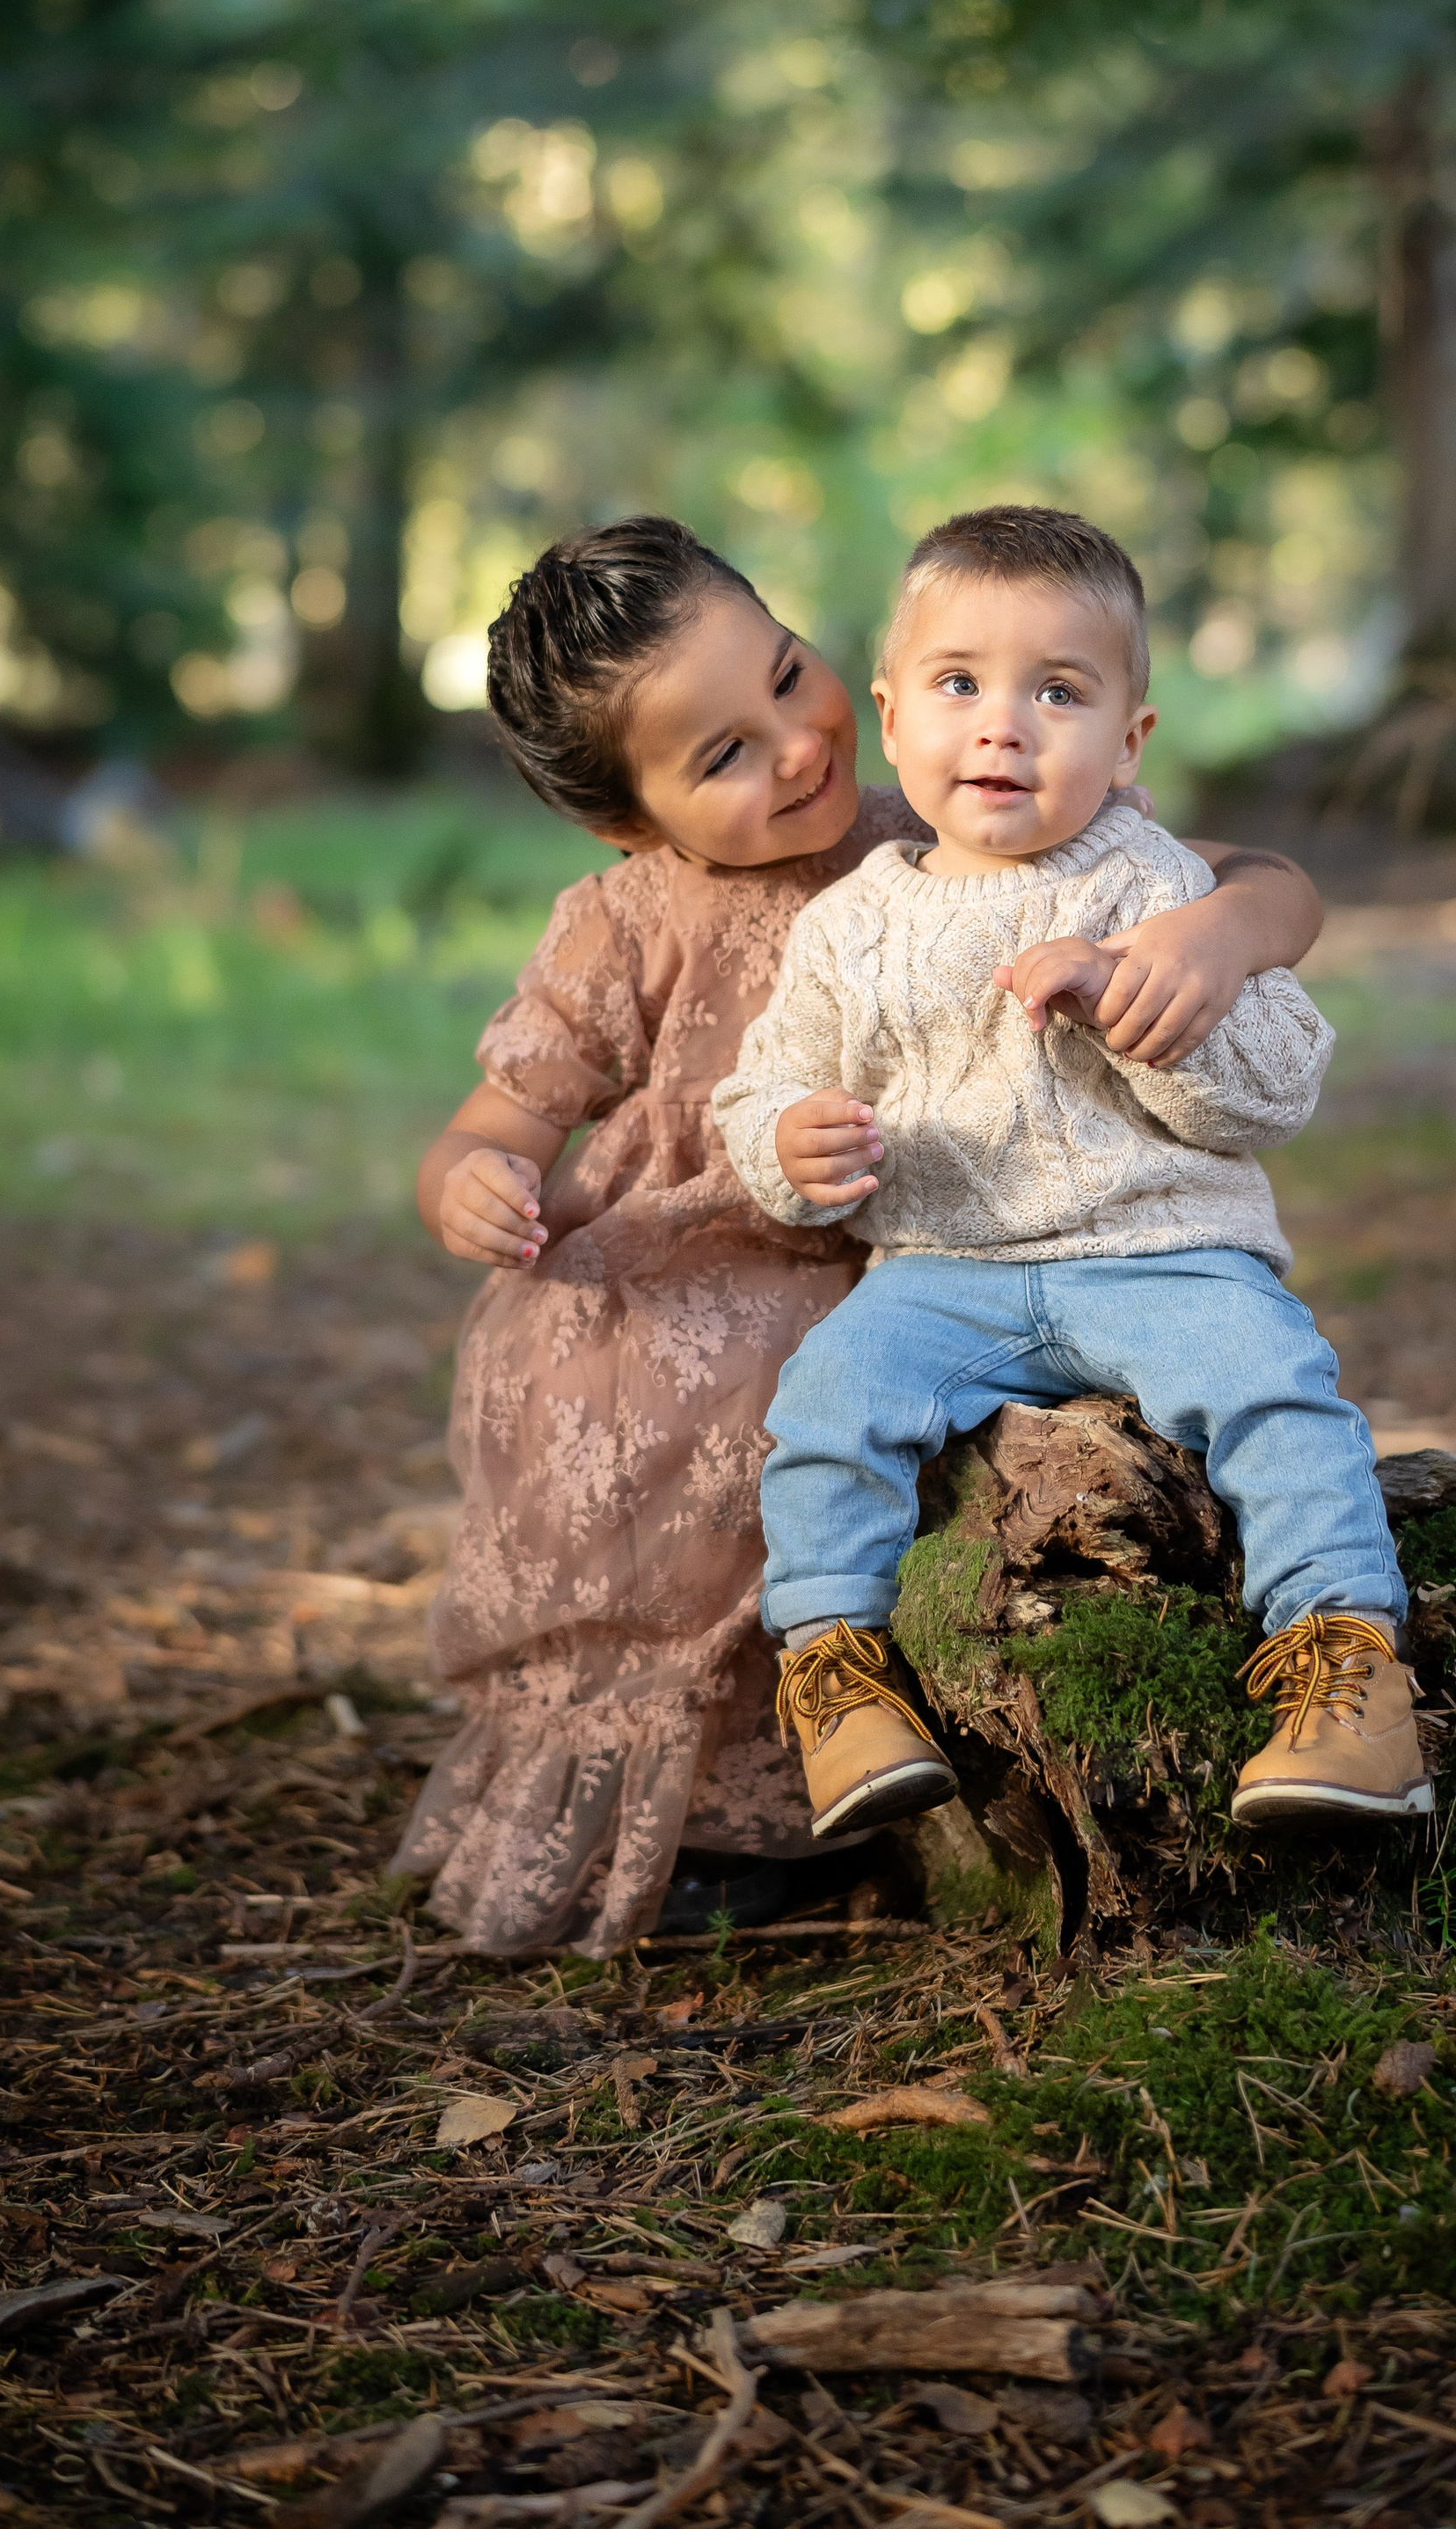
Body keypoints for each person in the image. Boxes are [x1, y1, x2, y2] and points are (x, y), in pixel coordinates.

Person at [391, 513, 1328, 1954]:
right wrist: (470, 1183)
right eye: (720, 755)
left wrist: (1217, 937)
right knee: (699, 1429)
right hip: (690, 1278)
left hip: (928, 1258)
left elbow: (1263, 877)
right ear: (625, 820)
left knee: (865, 1393)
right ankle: (720, 1824)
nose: (793, 747)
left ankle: (909, 1765)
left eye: (785, 673)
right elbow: (494, 1126)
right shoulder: (622, 923)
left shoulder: (944, 811)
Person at [711, 503, 1429, 1848]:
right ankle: (835, 1672)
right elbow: (761, 1088)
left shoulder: (1155, 880)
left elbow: (1277, 1093)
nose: (1004, 725)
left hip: (1165, 1255)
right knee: (828, 1402)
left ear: (1130, 737)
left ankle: (1349, 1669)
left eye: (1058, 691)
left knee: (1278, 1389)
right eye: (960, 683)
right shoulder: (850, 922)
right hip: (941, 1273)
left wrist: (1142, 1004)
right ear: (890, 711)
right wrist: (790, 1145)